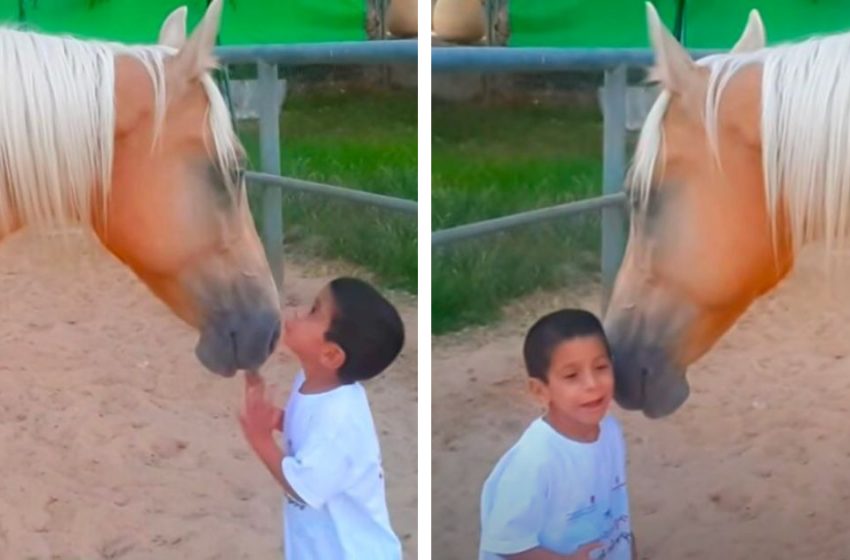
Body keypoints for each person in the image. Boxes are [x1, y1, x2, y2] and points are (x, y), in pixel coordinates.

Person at [238, 277, 405, 559]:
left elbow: (303, 489)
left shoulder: (338, 421)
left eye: (314, 311)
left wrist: (261, 441)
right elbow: (309, 430)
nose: (299, 312)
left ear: (330, 355)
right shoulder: (311, 381)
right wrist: (277, 419)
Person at [479, 309, 636, 560]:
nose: (592, 384)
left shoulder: (610, 432)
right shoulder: (534, 461)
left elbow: (618, 510)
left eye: (601, 367)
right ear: (540, 391)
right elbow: (508, 545)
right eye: (572, 376)